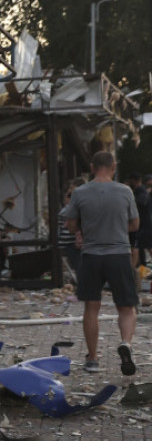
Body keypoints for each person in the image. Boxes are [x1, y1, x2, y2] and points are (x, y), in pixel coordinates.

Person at [60, 151, 139, 376]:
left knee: (91, 307)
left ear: (93, 167)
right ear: (114, 166)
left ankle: (92, 358)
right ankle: (126, 343)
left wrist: (88, 228)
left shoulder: (80, 192)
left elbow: (71, 225)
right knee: (126, 307)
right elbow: (134, 224)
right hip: (119, 256)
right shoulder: (125, 191)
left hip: (91, 256)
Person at [56, 179, 84, 278]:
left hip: (72, 242)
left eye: (72, 188)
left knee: (78, 266)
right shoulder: (73, 205)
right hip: (69, 241)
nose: (70, 191)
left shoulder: (75, 206)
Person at [124, 173, 152, 269]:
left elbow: (141, 202)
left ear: (134, 181)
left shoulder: (140, 192)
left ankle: (131, 269)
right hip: (144, 224)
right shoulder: (141, 191)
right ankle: (136, 267)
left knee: (136, 247)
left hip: (143, 224)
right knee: (144, 246)